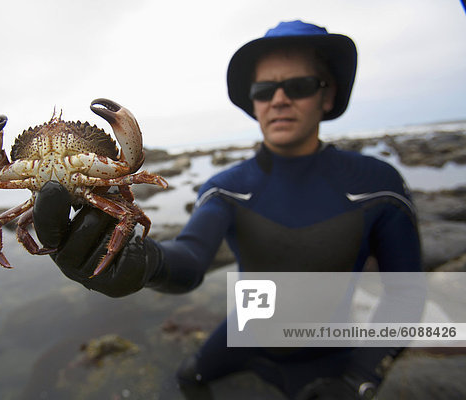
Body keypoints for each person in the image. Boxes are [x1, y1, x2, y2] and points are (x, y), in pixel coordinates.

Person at [33, 20, 422, 400]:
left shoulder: (377, 185)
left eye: (299, 85)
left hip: (333, 349)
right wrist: (144, 261)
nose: (279, 99)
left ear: (329, 95)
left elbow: (405, 295)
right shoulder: (227, 187)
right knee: (188, 378)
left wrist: (363, 376)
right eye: (265, 88)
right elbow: (188, 261)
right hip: (248, 331)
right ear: (253, 101)